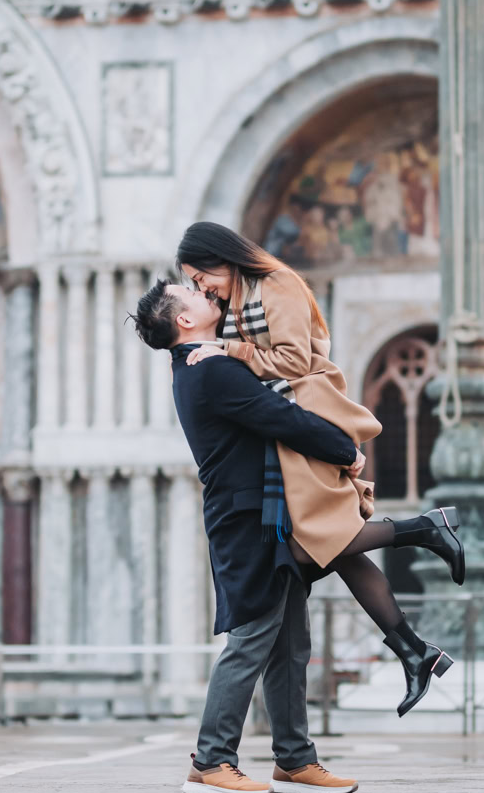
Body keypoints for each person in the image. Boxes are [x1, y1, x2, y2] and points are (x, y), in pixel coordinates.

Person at [173, 222, 464, 714]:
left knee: (316, 544)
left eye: (202, 278)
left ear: (222, 259)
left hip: (306, 412)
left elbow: (292, 361)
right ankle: (415, 651)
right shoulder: (241, 300)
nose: (204, 289)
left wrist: (228, 349)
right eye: (196, 286)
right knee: (329, 547)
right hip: (284, 431)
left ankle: (426, 528)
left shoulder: (276, 284)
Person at [133, 273, 369, 793]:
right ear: (184, 321)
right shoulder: (210, 370)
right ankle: (211, 761)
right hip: (247, 520)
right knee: (251, 640)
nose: (206, 291)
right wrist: (344, 449)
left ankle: (295, 761)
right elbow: (281, 417)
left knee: (290, 644)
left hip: (267, 517)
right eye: (192, 293)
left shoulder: (207, 360)